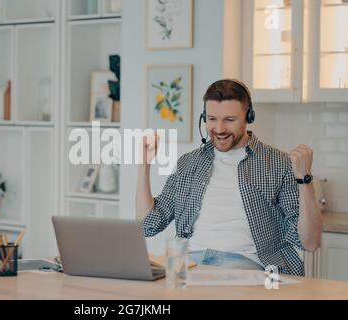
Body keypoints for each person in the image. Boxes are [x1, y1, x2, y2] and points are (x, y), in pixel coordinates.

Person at [136, 79, 323, 276]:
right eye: (212, 119)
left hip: (243, 264)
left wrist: (305, 179)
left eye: (229, 120)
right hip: (185, 262)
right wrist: (144, 166)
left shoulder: (278, 163)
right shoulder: (188, 163)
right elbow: (147, 225)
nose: (219, 128)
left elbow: (310, 242)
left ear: (248, 117)